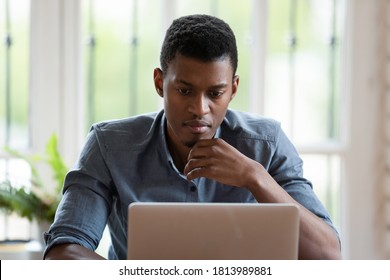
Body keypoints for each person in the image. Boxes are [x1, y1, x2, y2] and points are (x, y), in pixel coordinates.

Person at [43, 14, 341, 260]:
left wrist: (255, 177)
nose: (200, 109)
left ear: (233, 89)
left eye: (215, 93)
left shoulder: (266, 144)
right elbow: (64, 250)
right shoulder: (110, 145)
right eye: (184, 91)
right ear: (160, 82)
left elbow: (328, 255)